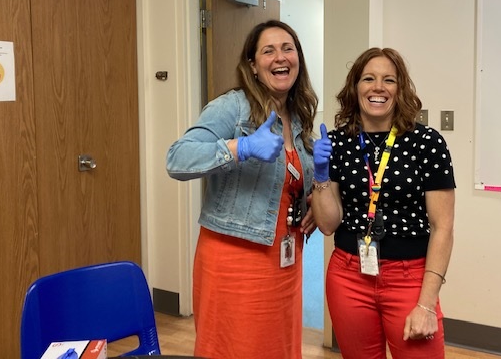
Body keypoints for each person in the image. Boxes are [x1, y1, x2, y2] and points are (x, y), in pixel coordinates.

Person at [166, 20, 318, 359]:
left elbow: (287, 183)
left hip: (284, 263)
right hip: (235, 262)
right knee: (234, 349)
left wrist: (310, 201)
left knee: (277, 348)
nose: (280, 57)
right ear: (253, 65)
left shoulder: (299, 115)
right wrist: (241, 148)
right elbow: (177, 159)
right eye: (268, 50)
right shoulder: (232, 107)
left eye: (288, 48)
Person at [311, 47, 456, 359]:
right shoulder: (337, 142)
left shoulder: (427, 143)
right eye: (369, 79)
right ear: (355, 88)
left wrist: (426, 304)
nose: (378, 87)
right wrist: (320, 177)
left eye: (388, 80)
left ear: (399, 90)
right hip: (348, 276)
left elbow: (443, 227)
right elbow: (327, 224)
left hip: (410, 278)